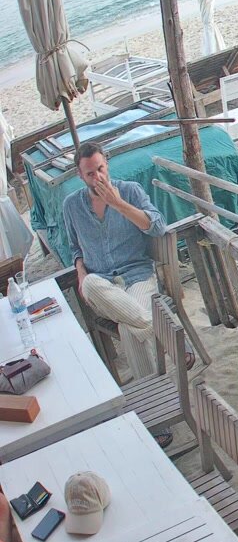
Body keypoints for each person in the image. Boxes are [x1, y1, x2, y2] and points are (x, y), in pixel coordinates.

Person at [63, 142, 168, 382]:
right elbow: (74, 247)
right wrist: (81, 273)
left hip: (137, 276)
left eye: (100, 169)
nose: (98, 177)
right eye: (90, 173)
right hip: (102, 287)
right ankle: (167, 332)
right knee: (89, 283)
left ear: (107, 165)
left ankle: (153, 390)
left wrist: (118, 204)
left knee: (129, 330)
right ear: (80, 175)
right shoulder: (71, 205)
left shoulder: (130, 191)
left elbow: (159, 227)